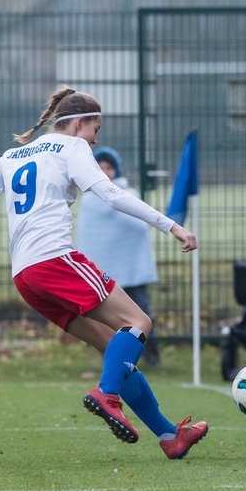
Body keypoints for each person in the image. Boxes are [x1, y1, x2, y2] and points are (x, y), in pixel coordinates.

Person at [0, 87, 207, 459]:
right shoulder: (72, 148)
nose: (95, 140)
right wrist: (171, 226)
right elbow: (112, 195)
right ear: (78, 123)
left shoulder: (12, 156)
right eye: (96, 129)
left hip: (25, 277)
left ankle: (170, 436)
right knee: (138, 321)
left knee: (114, 348)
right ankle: (106, 395)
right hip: (56, 259)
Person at [75, 147, 161, 365]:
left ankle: (151, 355)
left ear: (117, 170)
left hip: (132, 268)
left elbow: (139, 226)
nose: (105, 172)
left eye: (109, 168)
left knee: (142, 312)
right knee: (110, 318)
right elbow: (90, 236)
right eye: (100, 168)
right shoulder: (89, 200)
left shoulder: (128, 195)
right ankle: (120, 358)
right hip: (105, 274)